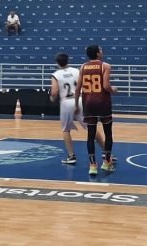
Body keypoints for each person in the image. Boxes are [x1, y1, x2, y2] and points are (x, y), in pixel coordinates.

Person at [50, 52, 114, 165]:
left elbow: (54, 91)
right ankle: (106, 151)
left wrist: (52, 97)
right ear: (68, 60)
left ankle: (71, 156)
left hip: (66, 102)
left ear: (57, 63)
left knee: (65, 129)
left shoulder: (56, 74)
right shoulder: (76, 70)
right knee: (90, 128)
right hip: (79, 100)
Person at [74, 45, 118, 176]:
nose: (102, 51)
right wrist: (113, 90)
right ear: (98, 53)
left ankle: (92, 166)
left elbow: (77, 89)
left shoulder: (82, 67)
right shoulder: (105, 66)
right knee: (108, 133)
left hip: (88, 103)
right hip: (102, 102)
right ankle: (107, 162)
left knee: (90, 135)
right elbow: (105, 86)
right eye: (101, 50)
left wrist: (76, 104)